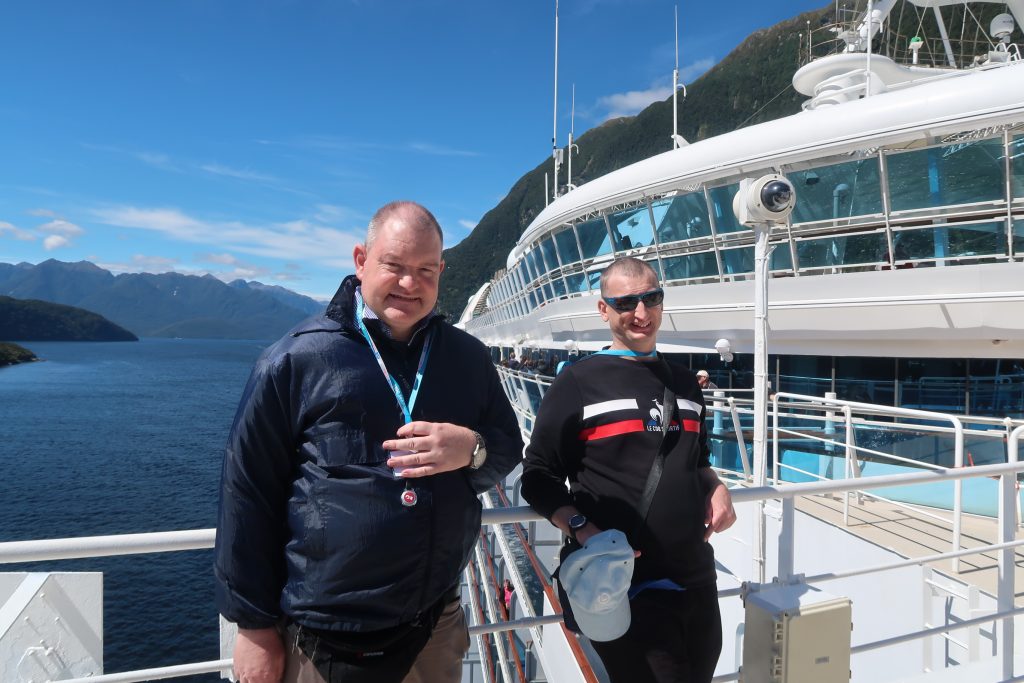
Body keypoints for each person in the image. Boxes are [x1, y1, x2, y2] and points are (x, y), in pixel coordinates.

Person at [215, 200, 524, 683]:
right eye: (394, 266)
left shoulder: (467, 358)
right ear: (361, 261)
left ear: (442, 270)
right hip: (327, 641)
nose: (409, 283)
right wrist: (253, 627)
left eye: (425, 269)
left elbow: (506, 447)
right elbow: (247, 494)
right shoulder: (297, 359)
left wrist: (472, 449)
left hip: (435, 625)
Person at [521, 256, 736, 683]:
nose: (641, 313)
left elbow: (697, 458)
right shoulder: (579, 382)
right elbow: (538, 475)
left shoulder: (687, 385)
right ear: (604, 310)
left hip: (695, 576)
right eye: (626, 303)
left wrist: (716, 484)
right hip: (624, 585)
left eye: (651, 299)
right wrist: (581, 526)